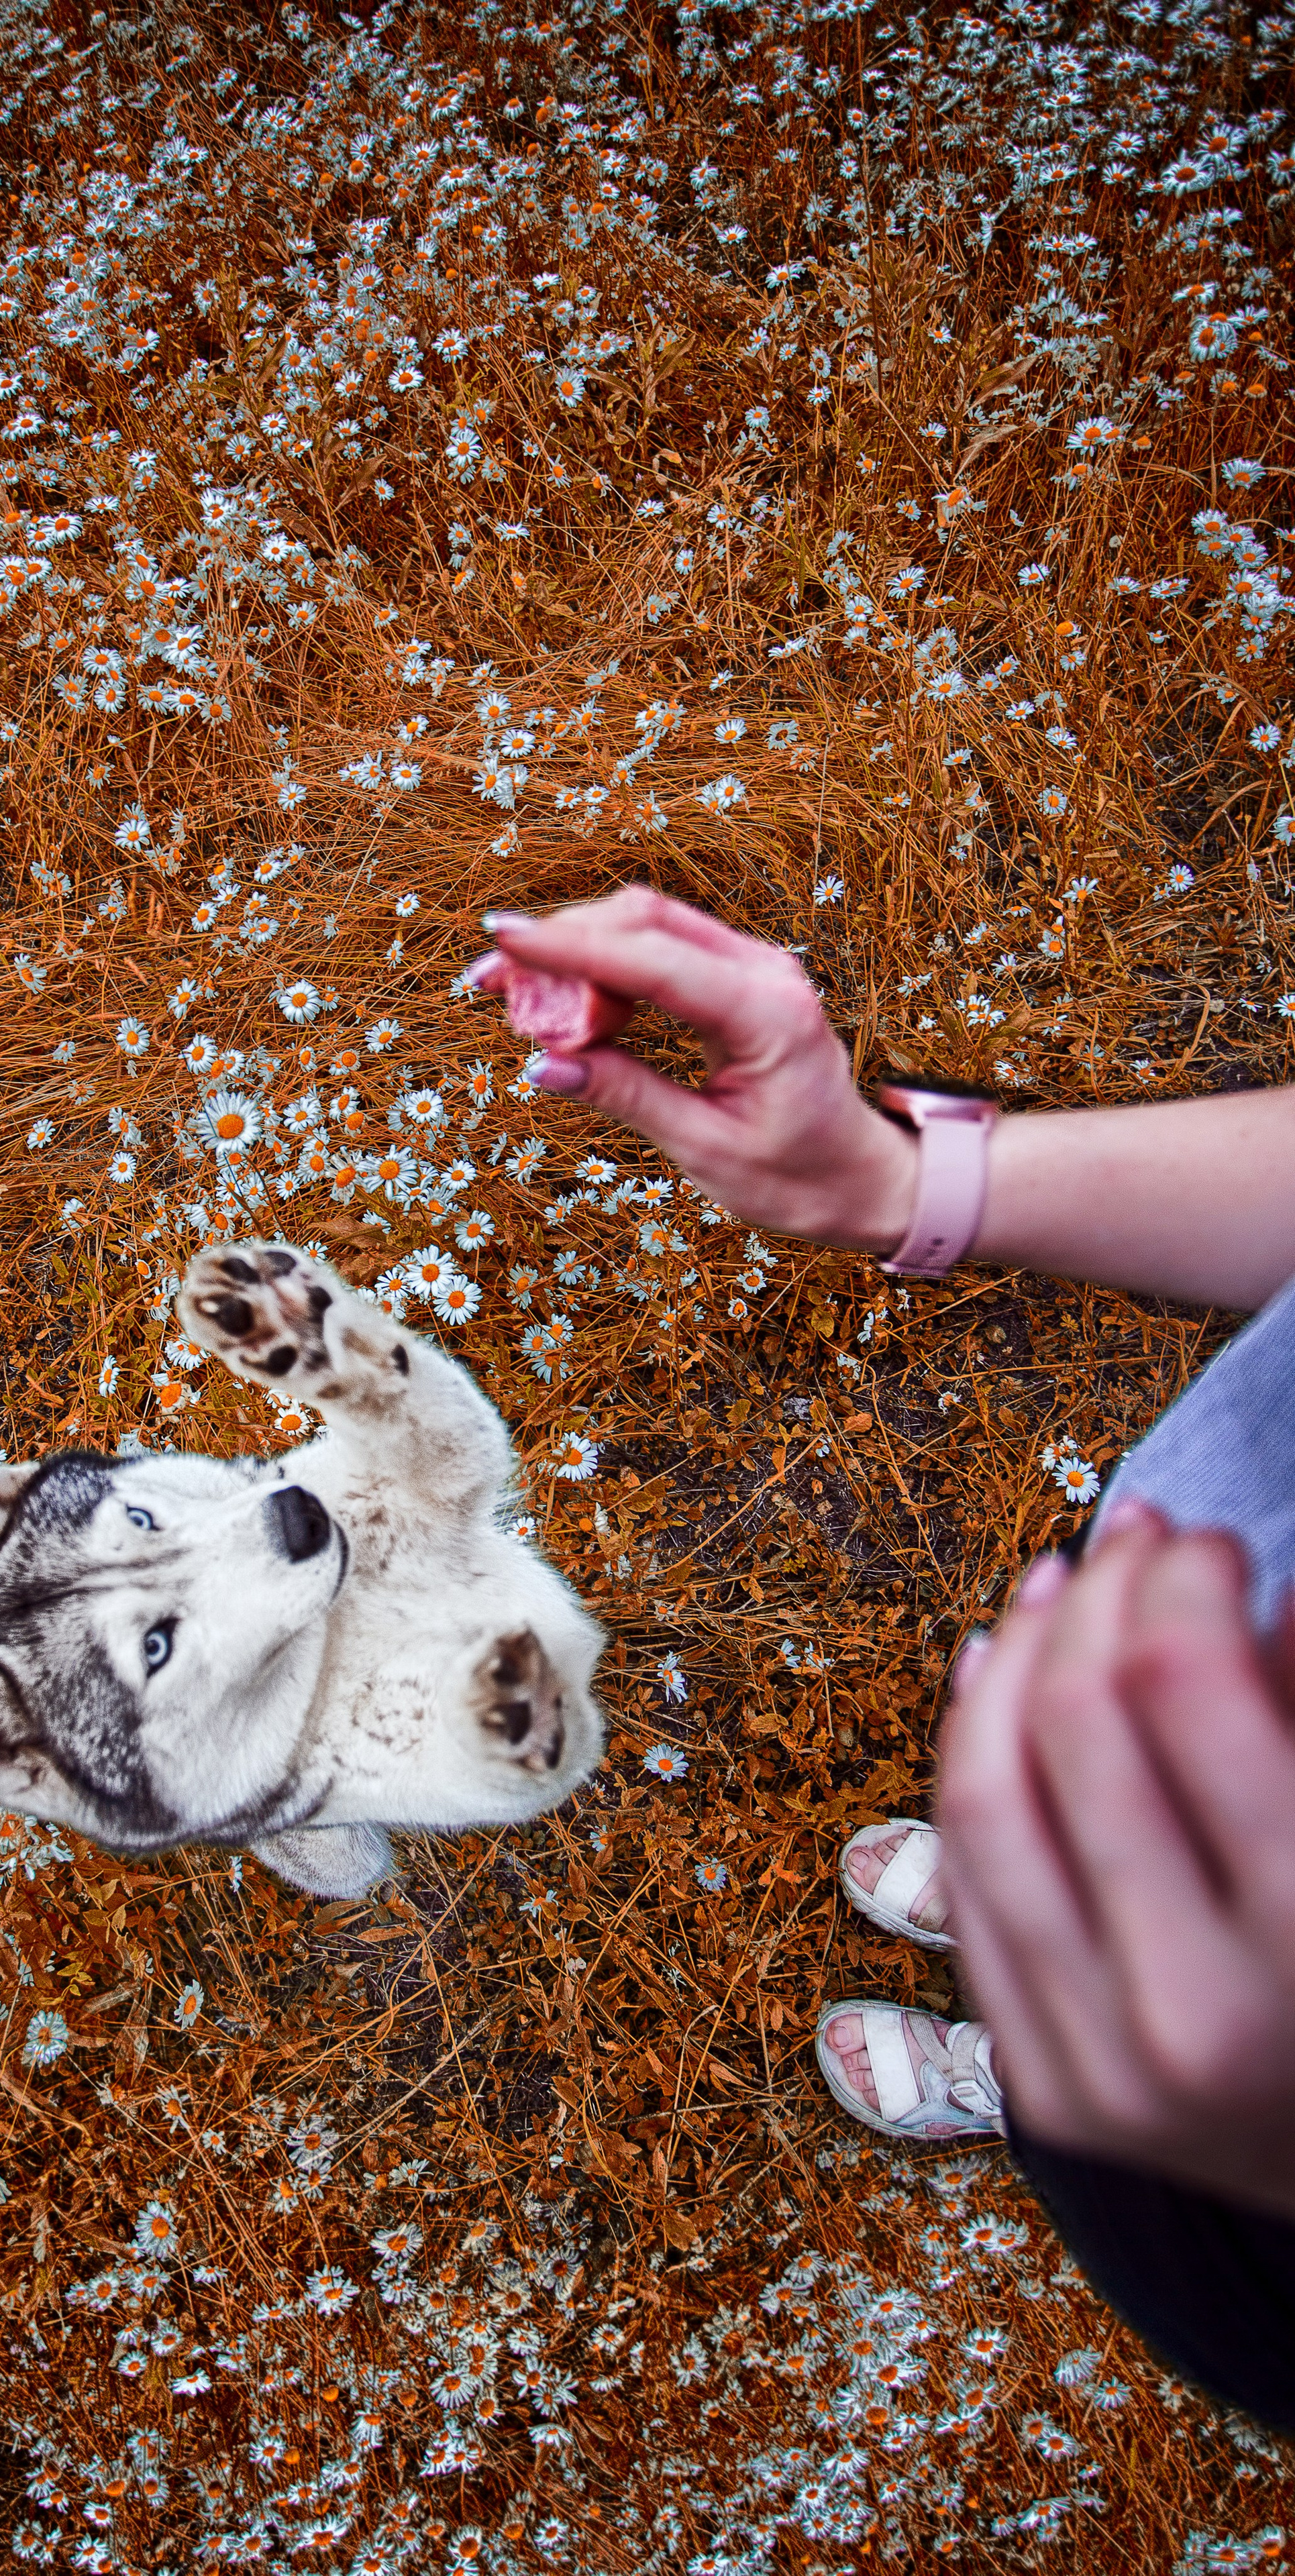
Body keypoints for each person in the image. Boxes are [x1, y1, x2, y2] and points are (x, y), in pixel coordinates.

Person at [472, 885, 1295, 2426]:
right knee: (1095, 1849)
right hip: (1220, 1556)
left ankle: (1038, 2073)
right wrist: (895, 1180)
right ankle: (1050, 1917)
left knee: (1114, 2096)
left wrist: (1252, 2131)